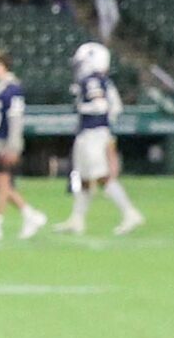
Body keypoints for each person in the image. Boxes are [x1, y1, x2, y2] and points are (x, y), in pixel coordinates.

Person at [61, 40, 145, 236]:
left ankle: (130, 213)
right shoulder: (101, 81)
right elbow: (116, 108)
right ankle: (77, 219)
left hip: (94, 133)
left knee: (101, 176)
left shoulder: (93, 80)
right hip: (90, 132)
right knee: (83, 178)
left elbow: (101, 106)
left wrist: (81, 108)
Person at [0, 50, 42, 242]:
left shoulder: (13, 89)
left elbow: (16, 120)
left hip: (6, 141)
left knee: (3, 183)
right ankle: (30, 215)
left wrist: (13, 147)